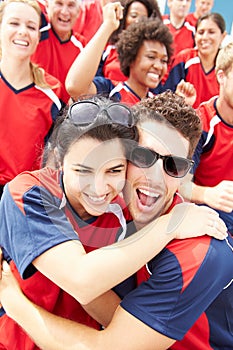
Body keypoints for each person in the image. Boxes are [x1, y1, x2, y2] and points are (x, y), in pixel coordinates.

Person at [0, 92, 232, 350]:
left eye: (173, 166)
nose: (154, 177)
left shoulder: (199, 252)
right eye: (144, 157)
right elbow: (86, 286)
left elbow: (112, 338)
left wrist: (14, 303)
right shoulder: (106, 203)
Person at [66, 2, 196, 106]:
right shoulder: (110, 91)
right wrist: (108, 26)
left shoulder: (156, 105)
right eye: (151, 57)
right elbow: (75, 87)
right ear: (131, 58)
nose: (158, 65)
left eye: (163, 60)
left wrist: (182, 104)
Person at [0, 0, 66, 199]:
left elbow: (54, 158)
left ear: (38, 36)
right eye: (14, 23)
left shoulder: (52, 92)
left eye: (31, 26)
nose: (23, 32)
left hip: (27, 197)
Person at [180, 42, 233, 235]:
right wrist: (207, 194)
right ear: (221, 76)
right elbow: (177, 184)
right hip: (206, 210)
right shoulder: (201, 122)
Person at [162, 12, 227, 108]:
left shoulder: (226, 67)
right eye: (201, 32)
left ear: (223, 36)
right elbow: (166, 97)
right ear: (195, 36)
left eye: (211, 32)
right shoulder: (184, 59)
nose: (205, 37)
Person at [31, 0, 87, 102]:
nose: (65, 12)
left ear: (79, 11)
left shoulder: (83, 46)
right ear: (47, 6)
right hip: (34, 108)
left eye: (71, 5)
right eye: (59, 3)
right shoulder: (36, 32)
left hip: (66, 114)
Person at [96, 0, 162, 81]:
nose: (138, 21)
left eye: (144, 18)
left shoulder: (157, 52)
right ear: (124, 18)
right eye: (134, 16)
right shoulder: (108, 48)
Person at [162, 0, 195, 78]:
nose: (184, 4)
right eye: (180, 0)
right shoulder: (159, 24)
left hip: (179, 82)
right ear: (170, 2)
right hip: (156, 80)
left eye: (188, 1)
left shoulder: (195, 30)